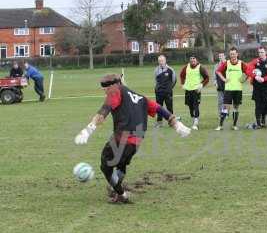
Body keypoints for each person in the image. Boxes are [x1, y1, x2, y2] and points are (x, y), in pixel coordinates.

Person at [74, 74, 191, 203]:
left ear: (113, 86)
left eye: (105, 89)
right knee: (121, 164)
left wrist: (88, 130)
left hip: (121, 138)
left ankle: (121, 194)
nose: (105, 92)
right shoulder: (140, 97)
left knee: (105, 165)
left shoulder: (115, 90)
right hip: (136, 142)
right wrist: (176, 124)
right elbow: (159, 108)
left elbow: (104, 111)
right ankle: (117, 186)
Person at [215, 47, 249, 131]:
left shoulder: (241, 63)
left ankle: (234, 125)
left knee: (236, 107)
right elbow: (218, 71)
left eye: (234, 54)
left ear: (237, 54)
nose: (232, 55)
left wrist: (244, 79)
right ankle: (220, 125)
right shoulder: (226, 63)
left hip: (238, 89)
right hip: (228, 89)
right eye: (231, 54)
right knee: (226, 107)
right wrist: (223, 79)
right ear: (229, 55)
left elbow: (249, 71)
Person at [247, 46, 267, 128]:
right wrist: (255, 76)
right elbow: (248, 70)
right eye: (259, 52)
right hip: (257, 87)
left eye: (262, 52)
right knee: (258, 105)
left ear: (265, 53)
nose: (261, 54)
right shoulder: (255, 61)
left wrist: (264, 79)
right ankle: (259, 124)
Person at [179, 56, 209, 130]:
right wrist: (183, 84)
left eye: (194, 59)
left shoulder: (200, 67)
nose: (192, 61)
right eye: (191, 59)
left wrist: (201, 85)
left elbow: (207, 78)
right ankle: (193, 118)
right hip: (188, 90)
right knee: (190, 106)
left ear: (196, 60)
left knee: (196, 105)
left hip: (196, 90)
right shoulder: (186, 67)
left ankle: (196, 122)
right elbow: (182, 75)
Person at [154, 55, 177, 127]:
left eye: (162, 61)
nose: (161, 62)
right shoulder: (156, 70)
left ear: (165, 61)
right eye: (159, 61)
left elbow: (174, 80)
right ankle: (159, 122)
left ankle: (171, 122)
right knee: (159, 108)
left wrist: (169, 88)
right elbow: (156, 80)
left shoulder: (170, 70)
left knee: (169, 107)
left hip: (168, 92)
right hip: (159, 92)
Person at [214, 52, 226, 117]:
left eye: (222, 56)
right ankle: (220, 114)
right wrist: (215, 83)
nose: (220, 57)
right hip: (219, 85)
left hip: (227, 85)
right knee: (220, 101)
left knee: (226, 101)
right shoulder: (216, 66)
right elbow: (214, 76)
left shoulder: (228, 64)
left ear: (225, 56)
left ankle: (225, 113)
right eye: (219, 56)